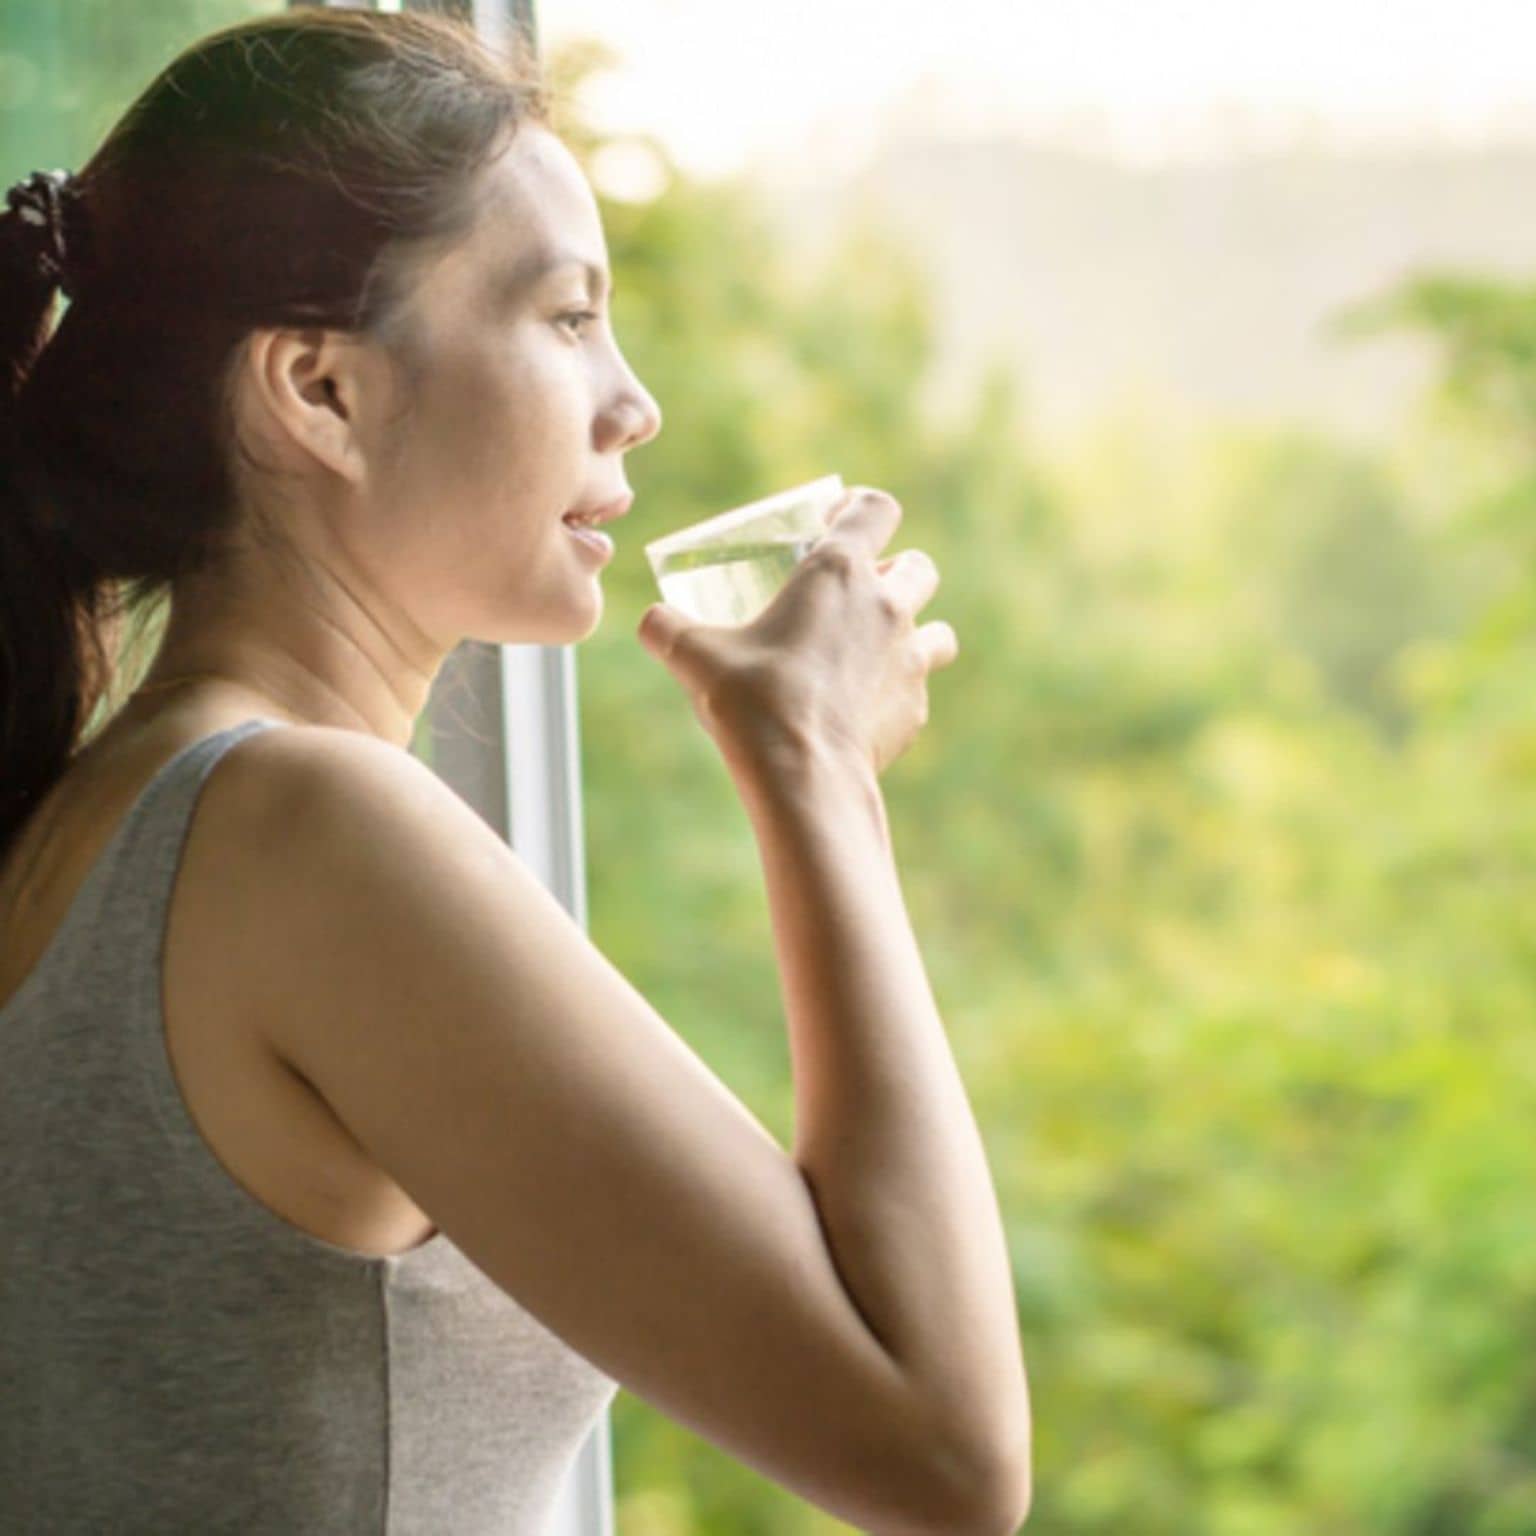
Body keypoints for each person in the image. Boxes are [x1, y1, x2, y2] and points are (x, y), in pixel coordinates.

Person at [0, 10, 1027, 1534]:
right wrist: (817, 771)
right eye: (564, 317)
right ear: (319, 392)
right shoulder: (304, 828)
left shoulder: (79, 822)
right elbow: (945, 1455)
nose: (636, 400)